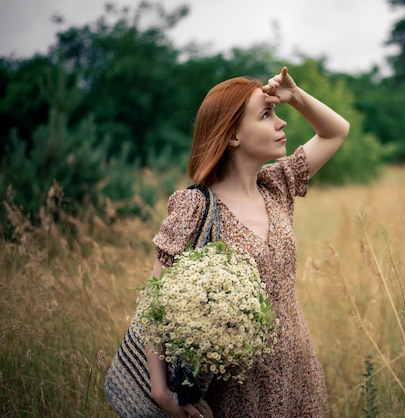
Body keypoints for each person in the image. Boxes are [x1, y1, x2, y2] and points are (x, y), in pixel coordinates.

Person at [104, 66, 350, 417]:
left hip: (299, 373)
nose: (281, 123)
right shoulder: (195, 206)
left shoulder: (276, 187)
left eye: (277, 113)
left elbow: (336, 132)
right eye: (266, 115)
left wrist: (294, 96)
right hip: (238, 388)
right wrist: (160, 391)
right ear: (233, 135)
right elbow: (153, 301)